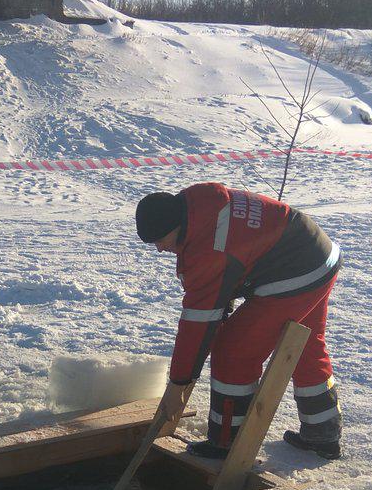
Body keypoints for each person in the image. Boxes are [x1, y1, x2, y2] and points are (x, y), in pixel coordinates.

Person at [136, 183, 343, 459]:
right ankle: (323, 434)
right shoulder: (199, 204)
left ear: (177, 225)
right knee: (304, 344)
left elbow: (197, 325)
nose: (160, 249)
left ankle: (226, 441)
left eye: (162, 240)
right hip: (318, 253)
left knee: (233, 351)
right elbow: (236, 257)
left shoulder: (207, 250)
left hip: (293, 272)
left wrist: (178, 384)